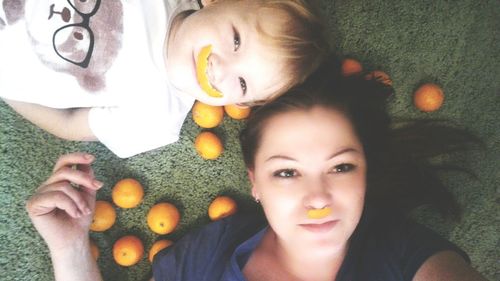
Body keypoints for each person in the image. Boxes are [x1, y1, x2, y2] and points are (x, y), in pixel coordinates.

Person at [26, 60, 488, 280]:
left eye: (342, 166)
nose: (319, 197)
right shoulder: (204, 257)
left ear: (365, 170)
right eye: (286, 172)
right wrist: (70, 251)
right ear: (255, 183)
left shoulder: (404, 257)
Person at [0, 0, 327, 158]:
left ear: (238, 103)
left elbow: (69, 124)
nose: (221, 67)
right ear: (216, 3)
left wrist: (8, 90)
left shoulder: (157, 119)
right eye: (236, 40)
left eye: (242, 84)